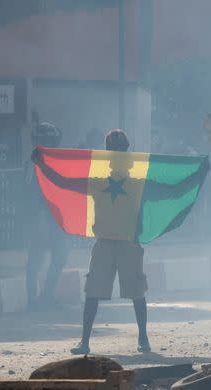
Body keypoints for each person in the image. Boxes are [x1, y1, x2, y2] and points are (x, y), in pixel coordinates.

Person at [70, 129, 151, 354]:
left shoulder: (137, 183)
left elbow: (169, 191)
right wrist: (44, 165)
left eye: (119, 150)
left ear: (127, 153)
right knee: (93, 293)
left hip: (128, 243)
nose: (116, 154)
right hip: (104, 243)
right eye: (112, 150)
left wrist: (197, 174)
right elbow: (67, 183)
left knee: (136, 291)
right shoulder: (98, 182)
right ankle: (84, 341)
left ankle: (143, 337)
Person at [25, 122, 68, 311]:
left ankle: (45, 296)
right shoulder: (34, 163)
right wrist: (40, 217)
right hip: (40, 218)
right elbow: (32, 194)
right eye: (50, 141)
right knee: (36, 258)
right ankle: (33, 301)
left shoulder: (47, 162)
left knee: (59, 256)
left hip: (53, 217)